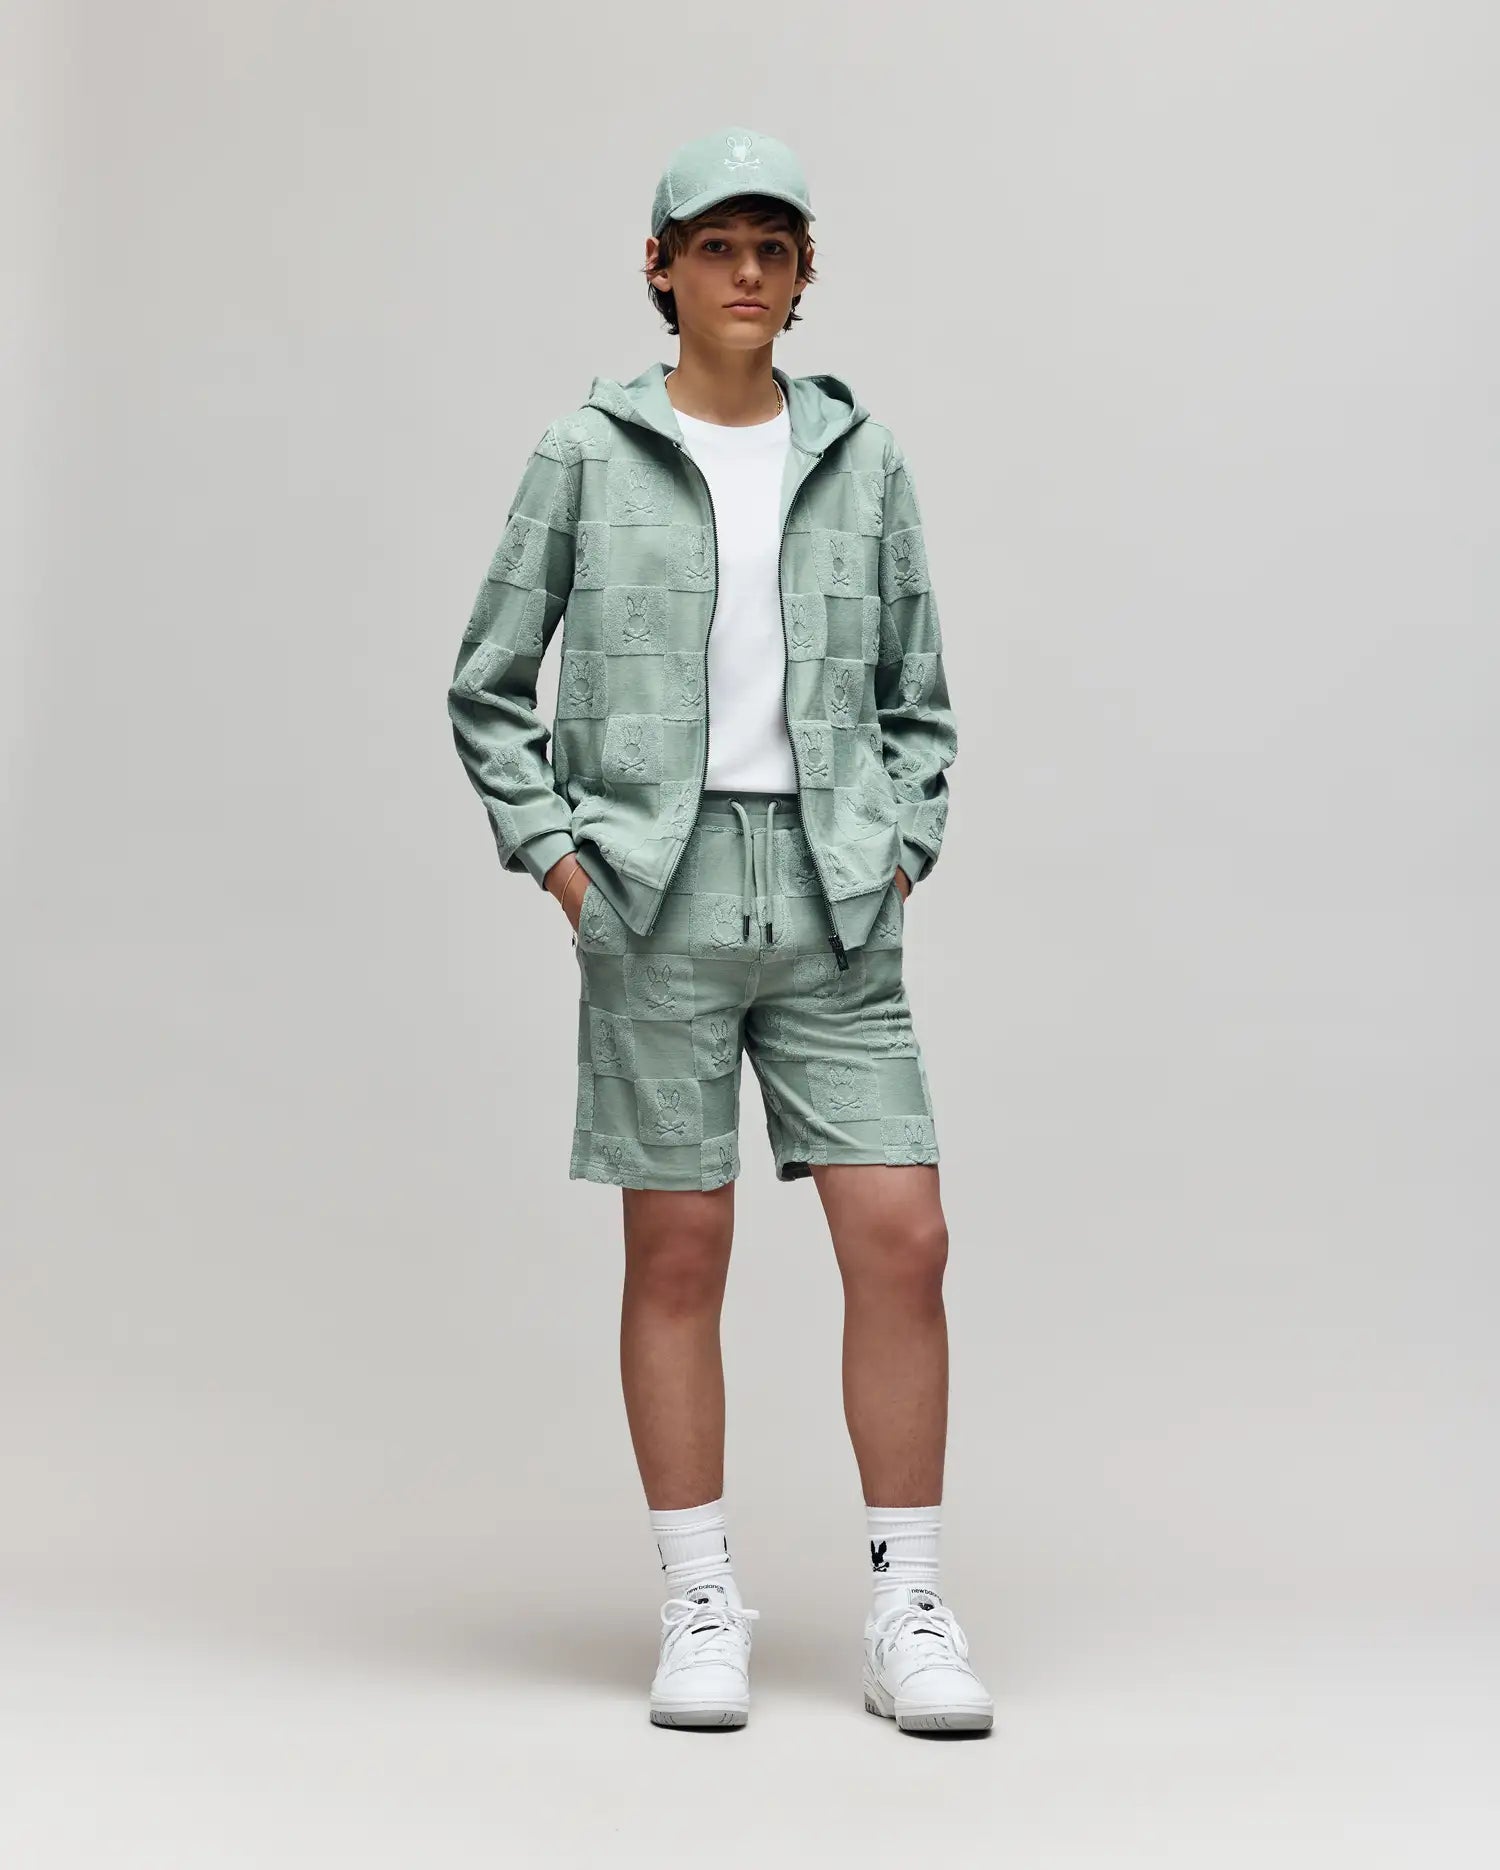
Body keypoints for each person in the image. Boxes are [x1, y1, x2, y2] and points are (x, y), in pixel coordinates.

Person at [447, 126, 991, 1736]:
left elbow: (920, 700)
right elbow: (487, 686)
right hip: (655, 893)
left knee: (905, 1238)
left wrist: (900, 847)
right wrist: (567, 868)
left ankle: (906, 1604)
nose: (745, 271)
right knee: (678, 1252)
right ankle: (700, 1602)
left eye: (773, 248)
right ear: (661, 265)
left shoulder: (861, 457)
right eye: (716, 244)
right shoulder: (584, 452)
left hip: (833, 895)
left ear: (803, 275)